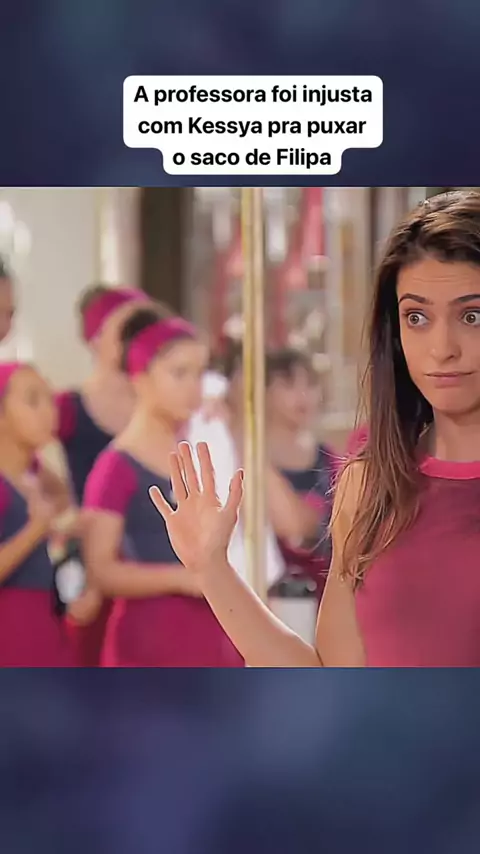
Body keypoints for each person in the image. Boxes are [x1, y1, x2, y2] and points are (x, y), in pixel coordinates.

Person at [151, 189, 480, 668]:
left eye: (472, 316)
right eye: (417, 317)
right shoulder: (369, 488)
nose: (442, 347)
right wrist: (212, 570)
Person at [82, 305, 244, 667]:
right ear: (140, 378)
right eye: (179, 373)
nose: (193, 387)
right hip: (147, 642)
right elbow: (101, 569)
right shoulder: (116, 467)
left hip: (212, 634)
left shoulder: (206, 446)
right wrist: (182, 578)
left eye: (200, 373)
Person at [56, 284, 151, 664]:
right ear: (95, 338)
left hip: (149, 562)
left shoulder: (163, 406)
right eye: (125, 329)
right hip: (92, 567)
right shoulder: (65, 408)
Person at [223, 345, 338, 600]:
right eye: (288, 385)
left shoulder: (330, 460)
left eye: (310, 384)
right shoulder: (238, 454)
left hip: (323, 594)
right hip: (263, 593)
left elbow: (309, 528)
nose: (303, 395)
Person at [0, 362, 76, 666]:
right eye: (33, 401)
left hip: (44, 626)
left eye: (50, 400)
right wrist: (35, 530)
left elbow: (65, 501)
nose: (49, 412)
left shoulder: (33, 476)